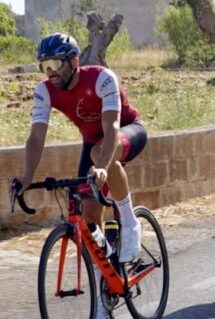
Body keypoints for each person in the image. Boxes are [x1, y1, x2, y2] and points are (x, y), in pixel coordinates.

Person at [11, 33, 146, 318]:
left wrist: (101, 166)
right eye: (44, 65)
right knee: (89, 220)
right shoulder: (45, 89)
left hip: (127, 131)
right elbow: (36, 137)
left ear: (73, 61)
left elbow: (111, 130)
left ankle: (131, 222)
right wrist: (25, 176)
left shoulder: (101, 78)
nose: (49, 71)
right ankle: (103, 299)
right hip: (92, 143)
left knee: (100, 155)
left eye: (55, 63)